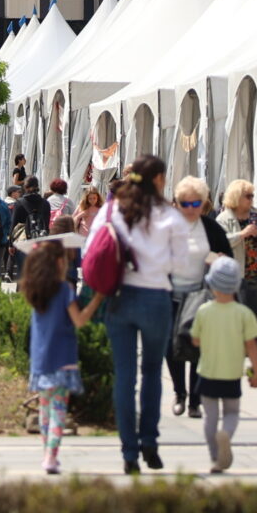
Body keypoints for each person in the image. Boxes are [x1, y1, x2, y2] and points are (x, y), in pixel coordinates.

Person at [85, 155, 197, 475]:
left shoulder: (111, 210)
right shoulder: (169, 216)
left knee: (124, 376)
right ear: (159, 179)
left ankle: (128, 452)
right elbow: (180, 264)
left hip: (120, 297)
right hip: (156, 298)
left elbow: (90, 250)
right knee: (151, 372)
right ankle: (150, 440)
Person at [22, 238, 102, 475]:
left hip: (41, 359)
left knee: (45, 412)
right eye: (66, 259)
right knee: (58, 411)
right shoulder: (64, 290)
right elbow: (79, 320)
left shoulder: (35, 290)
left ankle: (47, 452)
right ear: (58, 262)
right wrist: (97, 299)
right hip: (63, 359)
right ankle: (51, 456)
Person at [190, 254, 257, 472]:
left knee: (209, 418)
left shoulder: (203, 311)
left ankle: (215, 457)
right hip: (232, 373)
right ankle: (227, 435)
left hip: (207, 372)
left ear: (211, 284)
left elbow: (195, 340)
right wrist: (256, 371)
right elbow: (252, 346)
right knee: (231, 413)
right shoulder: (243, 313)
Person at [165, 176, 229, 420]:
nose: (190, 209)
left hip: (200, 295)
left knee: (199, 348)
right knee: (170, 348)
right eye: (185, 204)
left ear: (204, 204)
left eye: (196, 204)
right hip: (170, 295)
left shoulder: (211, 228)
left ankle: (195, 400)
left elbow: (227, 258)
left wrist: (217, 259)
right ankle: (179, 392)